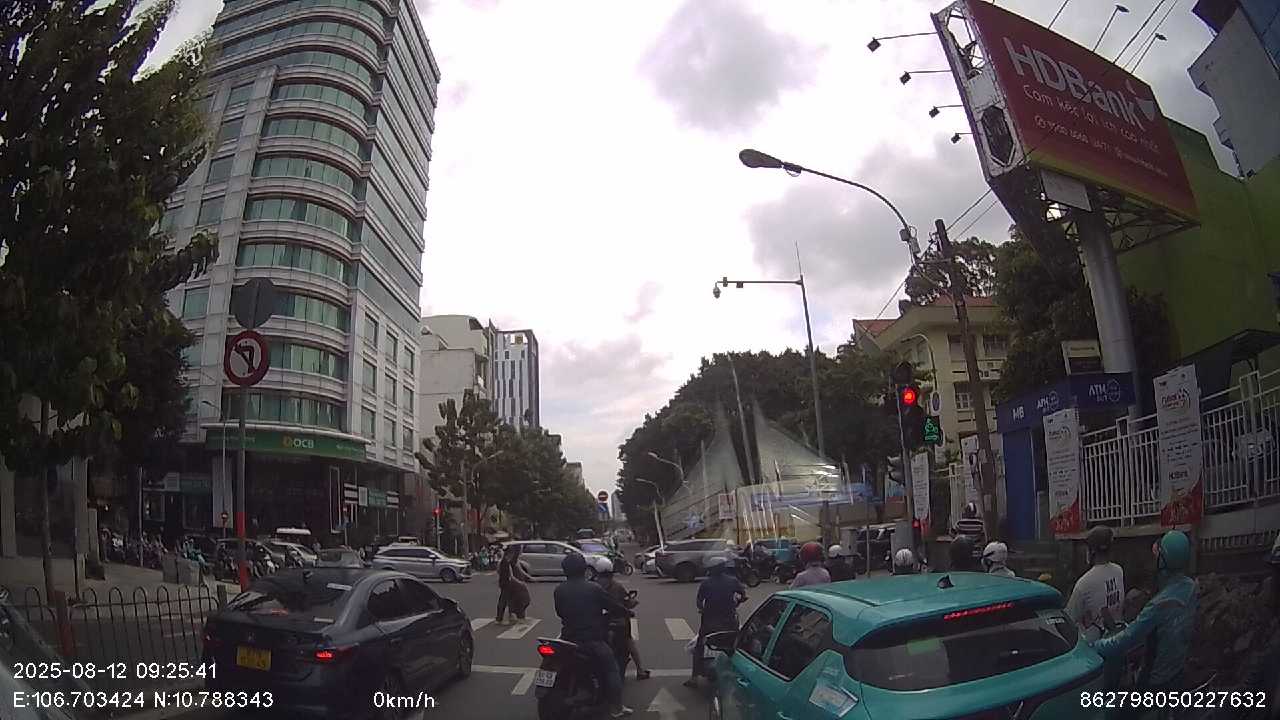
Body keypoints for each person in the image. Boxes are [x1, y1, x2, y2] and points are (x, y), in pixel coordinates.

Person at [1093, 531, 1198, 694]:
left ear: (1163, 561)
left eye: (1156, 556)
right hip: (1177, 671)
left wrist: (1095, 647)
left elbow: (1126, 640)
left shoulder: (1159, 605)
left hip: (1156, 682)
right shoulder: (1191, 587)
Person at [553, 552, 634, 718]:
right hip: (591, 640)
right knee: (611, 668)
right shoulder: (593, 588)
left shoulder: (559, 590)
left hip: (568, 638)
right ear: (584, 569)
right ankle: (617, 708)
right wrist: (627, 612)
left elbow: (559, 612)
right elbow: (612, 606)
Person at [684, 555, 746, 689]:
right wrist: (737, 602)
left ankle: (694, 678)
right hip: (730, 622)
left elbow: (699, 601)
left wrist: (702, 609)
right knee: (734, 646)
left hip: (710, 623)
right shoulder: (733, 581)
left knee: (699, 646)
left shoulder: (706, 583)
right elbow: (743, 595)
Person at [593, 557, 650, 680]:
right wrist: (632, 604)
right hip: (618, 622)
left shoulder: (593, 585)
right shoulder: (617, 586)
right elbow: (627, 602)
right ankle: (640, 670)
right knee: (629, 642)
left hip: (599, 623)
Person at [1066, 526, 1124, 643]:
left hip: (1094, 645)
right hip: (1117, 638)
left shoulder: (1084, 583)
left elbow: (1069, 619)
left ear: (1091, 551)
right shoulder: (1118, 571)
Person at [496, 544, 532, 625]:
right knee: (504, 600)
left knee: (508, 600)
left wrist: (527, 577)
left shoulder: (507, 561)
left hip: (507, 583)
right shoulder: (505, 562)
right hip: (507, 584)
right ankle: (499, 619)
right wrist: (521, 583)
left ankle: (508, 616)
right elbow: (510, 576)